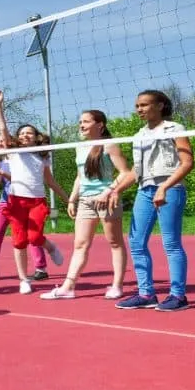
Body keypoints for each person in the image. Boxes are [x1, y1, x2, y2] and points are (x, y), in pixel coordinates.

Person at [40, 110, 135, 301]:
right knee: (80, 244)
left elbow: (125, 173)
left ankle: (117, 285)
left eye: (86, 122)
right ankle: (68, 287)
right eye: (80, 122)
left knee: (115, 242)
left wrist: (107, 192)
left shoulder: (109, 145)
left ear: (100, 125)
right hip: (85, 201)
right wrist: (72, 199)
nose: (81, 125)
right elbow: (80, 176)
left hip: (107, 200)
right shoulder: (79, 147)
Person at [116, 90, 195, 312]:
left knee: (170, 243)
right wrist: (116, 190)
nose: (139, 109)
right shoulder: (139, 135)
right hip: (145, 189)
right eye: (137, 106)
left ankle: (178, 296)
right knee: (136, 242)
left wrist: (165, 186)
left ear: (160, 106)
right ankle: (146, 293)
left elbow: (187, 162)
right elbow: (135, 170)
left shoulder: (175, 129)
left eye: (144, 104)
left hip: (169, 188)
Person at [0, 89, 67, 294]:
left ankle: (50, 248)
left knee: (35, 238)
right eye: (22, 133)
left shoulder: (43, 156)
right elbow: (3, 128)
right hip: (16, 200)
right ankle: (24, 279)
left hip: (37, 201)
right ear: (18, 138)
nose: (25, 135)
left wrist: (67, 199)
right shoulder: (12, 151)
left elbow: (50, 181)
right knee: (19, 240)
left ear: (35, 137)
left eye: (29, 133)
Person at [0, 132, 51, 280]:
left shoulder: (19, 156)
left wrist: (3, 173)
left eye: (2, 141)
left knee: (30, 235)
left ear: (9, 142)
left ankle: (41, 268)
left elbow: (19, 178)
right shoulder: (0, 160)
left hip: (22, 201)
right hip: (5, 201)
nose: (0, 144)